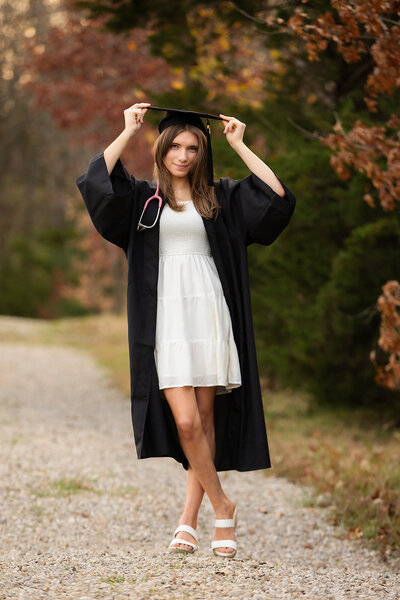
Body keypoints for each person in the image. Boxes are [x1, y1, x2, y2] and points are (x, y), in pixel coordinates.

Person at [76, 102, 296, 559]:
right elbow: (97, 182)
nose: (183, 154)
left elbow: (277, 197)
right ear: (161, 149)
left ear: (203, 152)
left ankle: (188, 522)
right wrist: (127, 129)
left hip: (210, 312)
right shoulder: (142, 200)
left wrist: (240, 143)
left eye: (193, 147)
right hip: (166, 318)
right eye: (175, 145)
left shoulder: (223, 199)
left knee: (207, 419)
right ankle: (224, 504)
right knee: (186, 422)